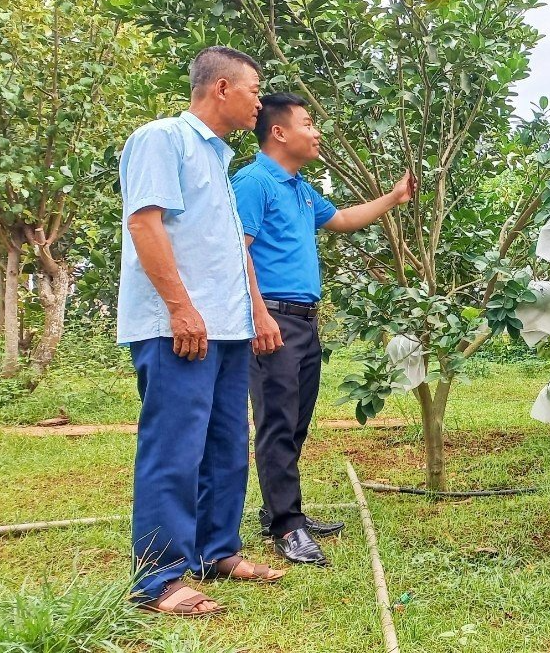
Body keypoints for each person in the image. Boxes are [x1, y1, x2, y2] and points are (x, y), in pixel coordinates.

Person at [118, 46, 287, 617]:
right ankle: (160, 578)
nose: (259, 101)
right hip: (180, 328)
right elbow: (145, 222)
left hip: (226, 328)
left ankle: (218, 550)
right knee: (175, 447)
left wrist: (256, 314)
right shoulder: (161, 139)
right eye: (253, 89)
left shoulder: (218, 161)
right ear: (221, 89)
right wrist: (180, 308)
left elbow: (228, 252)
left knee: (224, 447)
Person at [232, 92, 415, 566]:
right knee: (275, 421)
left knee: (294, 420)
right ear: (279, 132)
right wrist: (258, 316)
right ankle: (288, 527)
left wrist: (393, 197)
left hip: (303, 320)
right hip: (272, 318)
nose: (316, 133)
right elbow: (238, 252)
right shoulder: (253, 183)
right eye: (308, 124)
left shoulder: (299, 187)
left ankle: (281, 510)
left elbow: (342, 220)